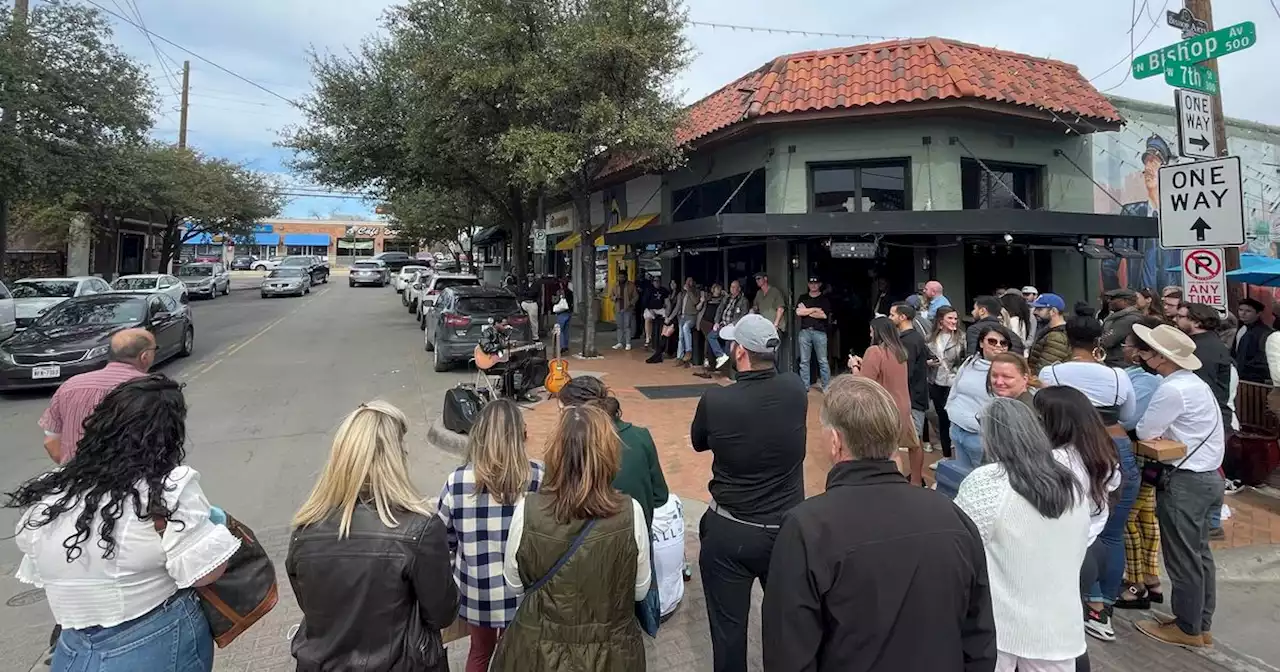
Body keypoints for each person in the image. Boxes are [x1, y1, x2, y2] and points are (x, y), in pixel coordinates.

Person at [762, 375, 996, 671]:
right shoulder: (952, 515)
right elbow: (980, 637)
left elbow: (788, 654)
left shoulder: (807, 528)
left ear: (835, 441)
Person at [9, 375, 238, 672]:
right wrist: (216, 526)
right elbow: (205, 574)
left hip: (73, 647)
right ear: (169, 434)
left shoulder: (52, 490)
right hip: (154, 636)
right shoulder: (167, 489)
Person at [289, 401, 458, 671]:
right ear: (395, 458)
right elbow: (442, 613)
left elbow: (313, 607)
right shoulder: (420, 529)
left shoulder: (305, 530)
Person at [491, 405, 649, 672]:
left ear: (555, 452)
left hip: (538, 653)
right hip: (612, 655)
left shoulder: (527, 510)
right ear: (609, 453)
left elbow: (514, 585)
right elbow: (640, 590)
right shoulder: (630, 513)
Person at [691, 313, 807, 672]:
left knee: (728, 633)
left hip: (731, 530)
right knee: (787, 629)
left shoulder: (717, 400)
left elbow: (698, 442)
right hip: (786, 529)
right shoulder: (795, 389)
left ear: (740, 352)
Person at [954, 398, 1091, 672]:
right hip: (1060, 626)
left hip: (1001, 627)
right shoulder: (1071, 483)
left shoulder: (989, 481)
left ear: (991, 436)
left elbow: (961, 547)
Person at [1130, 323, 1225, 648]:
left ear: (1159, 358)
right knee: (1199, 555)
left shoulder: (1173, 389)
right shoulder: (1193, 384)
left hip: (1185, 480)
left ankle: (1187, 628)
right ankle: (1199, 623)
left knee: (1184, 558)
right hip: (1207, 477)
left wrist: (1158, 434)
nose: (1142, 355)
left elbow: (1145, 430)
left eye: (1147, 351)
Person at [436, 399, 544, 672]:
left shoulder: (457, 481)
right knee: (517, 656)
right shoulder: (537, 477)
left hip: (476, 591)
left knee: (480, 652)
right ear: (521, 434)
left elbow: (443, 540)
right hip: (523, 592)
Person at [1035, 387, 1124, 643]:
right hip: (1090, 550)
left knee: (1052, 640)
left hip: (1063, 559)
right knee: (1068, 634)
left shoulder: (1055, 461)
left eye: (1039, 416)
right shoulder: (1101, 453)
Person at [558, 376, 669, 527]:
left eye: (562, 411)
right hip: (637, 533)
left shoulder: (568, 446)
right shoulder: (640, 436)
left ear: (575, 414)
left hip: (591, 539)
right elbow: (660, 496)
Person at [38, 328, 153, 464]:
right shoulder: (152, 389)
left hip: (77, 479)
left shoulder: (70, 385)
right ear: (144, 356)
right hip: (131, 479)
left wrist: (74, 469)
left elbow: (51, 442)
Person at [1116, 317, 1168, 611]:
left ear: (1138, 351)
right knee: (1145, 516)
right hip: (1144, 453)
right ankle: (1152, 579)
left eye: (1126, 346)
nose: (1123, 349)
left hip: (1139, 451)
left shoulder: (1147, 380)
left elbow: (1131, 420)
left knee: (1129, 518)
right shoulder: (1142, 374)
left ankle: (1135, 584)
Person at [848, 317, 918, 481]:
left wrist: (854, 366)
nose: (870, 334)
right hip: (902, 408)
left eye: (872, 331)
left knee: (878, 454)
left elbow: (863, 384)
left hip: (883, 411)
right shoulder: (900, 352)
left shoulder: (874, 351)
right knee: (894, 452)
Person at [947, 323, 1017, 471]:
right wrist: (950, 411)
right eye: (992, 341)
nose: (998, 346)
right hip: (957, 429)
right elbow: (955, 389)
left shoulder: (1008, 371)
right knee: (962, 478)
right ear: (981, 343)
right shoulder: (970, 362)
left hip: (982, 437)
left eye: (1003, 343)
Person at [1174, 302, 1234, 429]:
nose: (1175, 320)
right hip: (1208, 415)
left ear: (1196, 322)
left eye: (1180, 317)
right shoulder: (1204, 342)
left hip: (1206, 419)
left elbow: (1201, 385)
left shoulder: (1203, 348)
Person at [891, 301, 929, 483]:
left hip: (912, 397)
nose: (890, 319)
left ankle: (915, 480)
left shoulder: (909, 340)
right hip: (912, 395)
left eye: (892, 315)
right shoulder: (912, 338)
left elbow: (907, 371)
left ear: (902, 317)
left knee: (915, 441)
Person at [927, 306, 965, 459]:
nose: (954, 321)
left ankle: (958, 455)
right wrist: (928, 363)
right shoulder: (930, 338)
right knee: (941, 417)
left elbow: (964, 360)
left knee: (954, 418)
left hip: (954, 382)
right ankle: (946, 455)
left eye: (955, 318)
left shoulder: (961, 337)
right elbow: (924, 356)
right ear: (940, 320)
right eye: (950, 318)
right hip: (935, 381)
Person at [795, 275, 833, 392]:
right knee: (804, 361)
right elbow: (798, 312)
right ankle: (805, 387)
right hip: (805, 331)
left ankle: (826, 386)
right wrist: (815, 309)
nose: (813, 285)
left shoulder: (824, 299)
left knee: (822, 361)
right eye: (811, 283)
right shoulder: (803, 297)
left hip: (820, 332)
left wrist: (807, 311)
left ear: (820, 285)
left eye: (816, 283)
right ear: (808, 284)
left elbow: (823, 315)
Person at [708, 279, 749, 370]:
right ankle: (721, 355)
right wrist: (716, 322)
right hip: (723, 324)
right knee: (711, 336)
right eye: (731, 287)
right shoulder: (726, 298)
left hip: (733, 327)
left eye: (734, 287)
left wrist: (733, 324)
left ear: (739, 289)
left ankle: (727, 366)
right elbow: (719, 310)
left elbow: (743, 315)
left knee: (729, 347)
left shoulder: (743, 300)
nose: (732, 289)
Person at [752, 272, 788, 371]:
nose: (757, 281)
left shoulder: (775, 291)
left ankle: (776, 377)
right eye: (756, 279)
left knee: (774, 353)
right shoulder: (759, 293)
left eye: (759, 278)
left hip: (775, 327)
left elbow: (780, 308)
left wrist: (775, 325)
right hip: (764, 328)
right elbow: (755, 307)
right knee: (764, 353)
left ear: (765, 279)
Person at [1233, 297, 1273, 383]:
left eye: (1248, 311)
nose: (1242, 313)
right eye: (1240, 310)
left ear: (1258, 313)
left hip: (1254, 379)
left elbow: (1262, 359)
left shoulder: (1264, 333)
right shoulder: (1241, 328)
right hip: (1239, 376)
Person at [1028, 293, 1071, 373]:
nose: (1034, 312)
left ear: (1053, 311)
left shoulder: (1057, 337)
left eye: (1040, 309)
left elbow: (1045, 370)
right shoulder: (1049, 331)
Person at [1101, 288, 1142, 367]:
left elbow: (1107, 341)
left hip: (1120, 363)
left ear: (1126, 301)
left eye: (1113, 299)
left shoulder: (1129, 319)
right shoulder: (1118, 316)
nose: (1109, 301)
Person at [673, 277, 702, 366]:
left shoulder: (696, 292)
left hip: (692, 317)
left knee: (686, 328)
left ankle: (688, 351)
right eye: (687, 281)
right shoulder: (682, 293)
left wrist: (689, 291)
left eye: (690, 281)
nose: (688, 283)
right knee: (680, 336)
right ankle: (679, 357)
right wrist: (670, 317)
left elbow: (695, 302)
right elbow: (678, 306)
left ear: (693, 283)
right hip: (682, 317)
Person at [611, 272, 639, 351]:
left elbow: (636, 296)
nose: (621, 278)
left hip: (628, 309)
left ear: (626, 277)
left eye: (622, 277)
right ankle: (619, 342)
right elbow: (611, 296)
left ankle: (628, 343)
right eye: (619, 277)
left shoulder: (631, 285)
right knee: (619, 326)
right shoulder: (615, 285)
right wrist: (615, 297)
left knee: (627, 326)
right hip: (618, 308)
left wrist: (631, 303)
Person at [641, 277, 668, 349]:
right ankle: (648, 338)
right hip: (650, 308)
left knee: (667, 316)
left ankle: (664, 335)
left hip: (660, 309)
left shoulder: (664, 290)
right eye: (655, 281)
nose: (657, 282)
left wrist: (665, 306)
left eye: (658, 281)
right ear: (652, 282)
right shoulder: (649, 290)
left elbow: (667, 300)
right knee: (647, 318)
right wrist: (650, 310)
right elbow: (644, 302)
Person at [552, 279, 573, 353]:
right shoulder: (570, 292)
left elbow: (555, 301)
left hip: (562, 313)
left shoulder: (560, 292)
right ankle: (566, 345)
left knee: (560, 330)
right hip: (569, 313)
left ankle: (562, 346)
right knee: (566, 330)